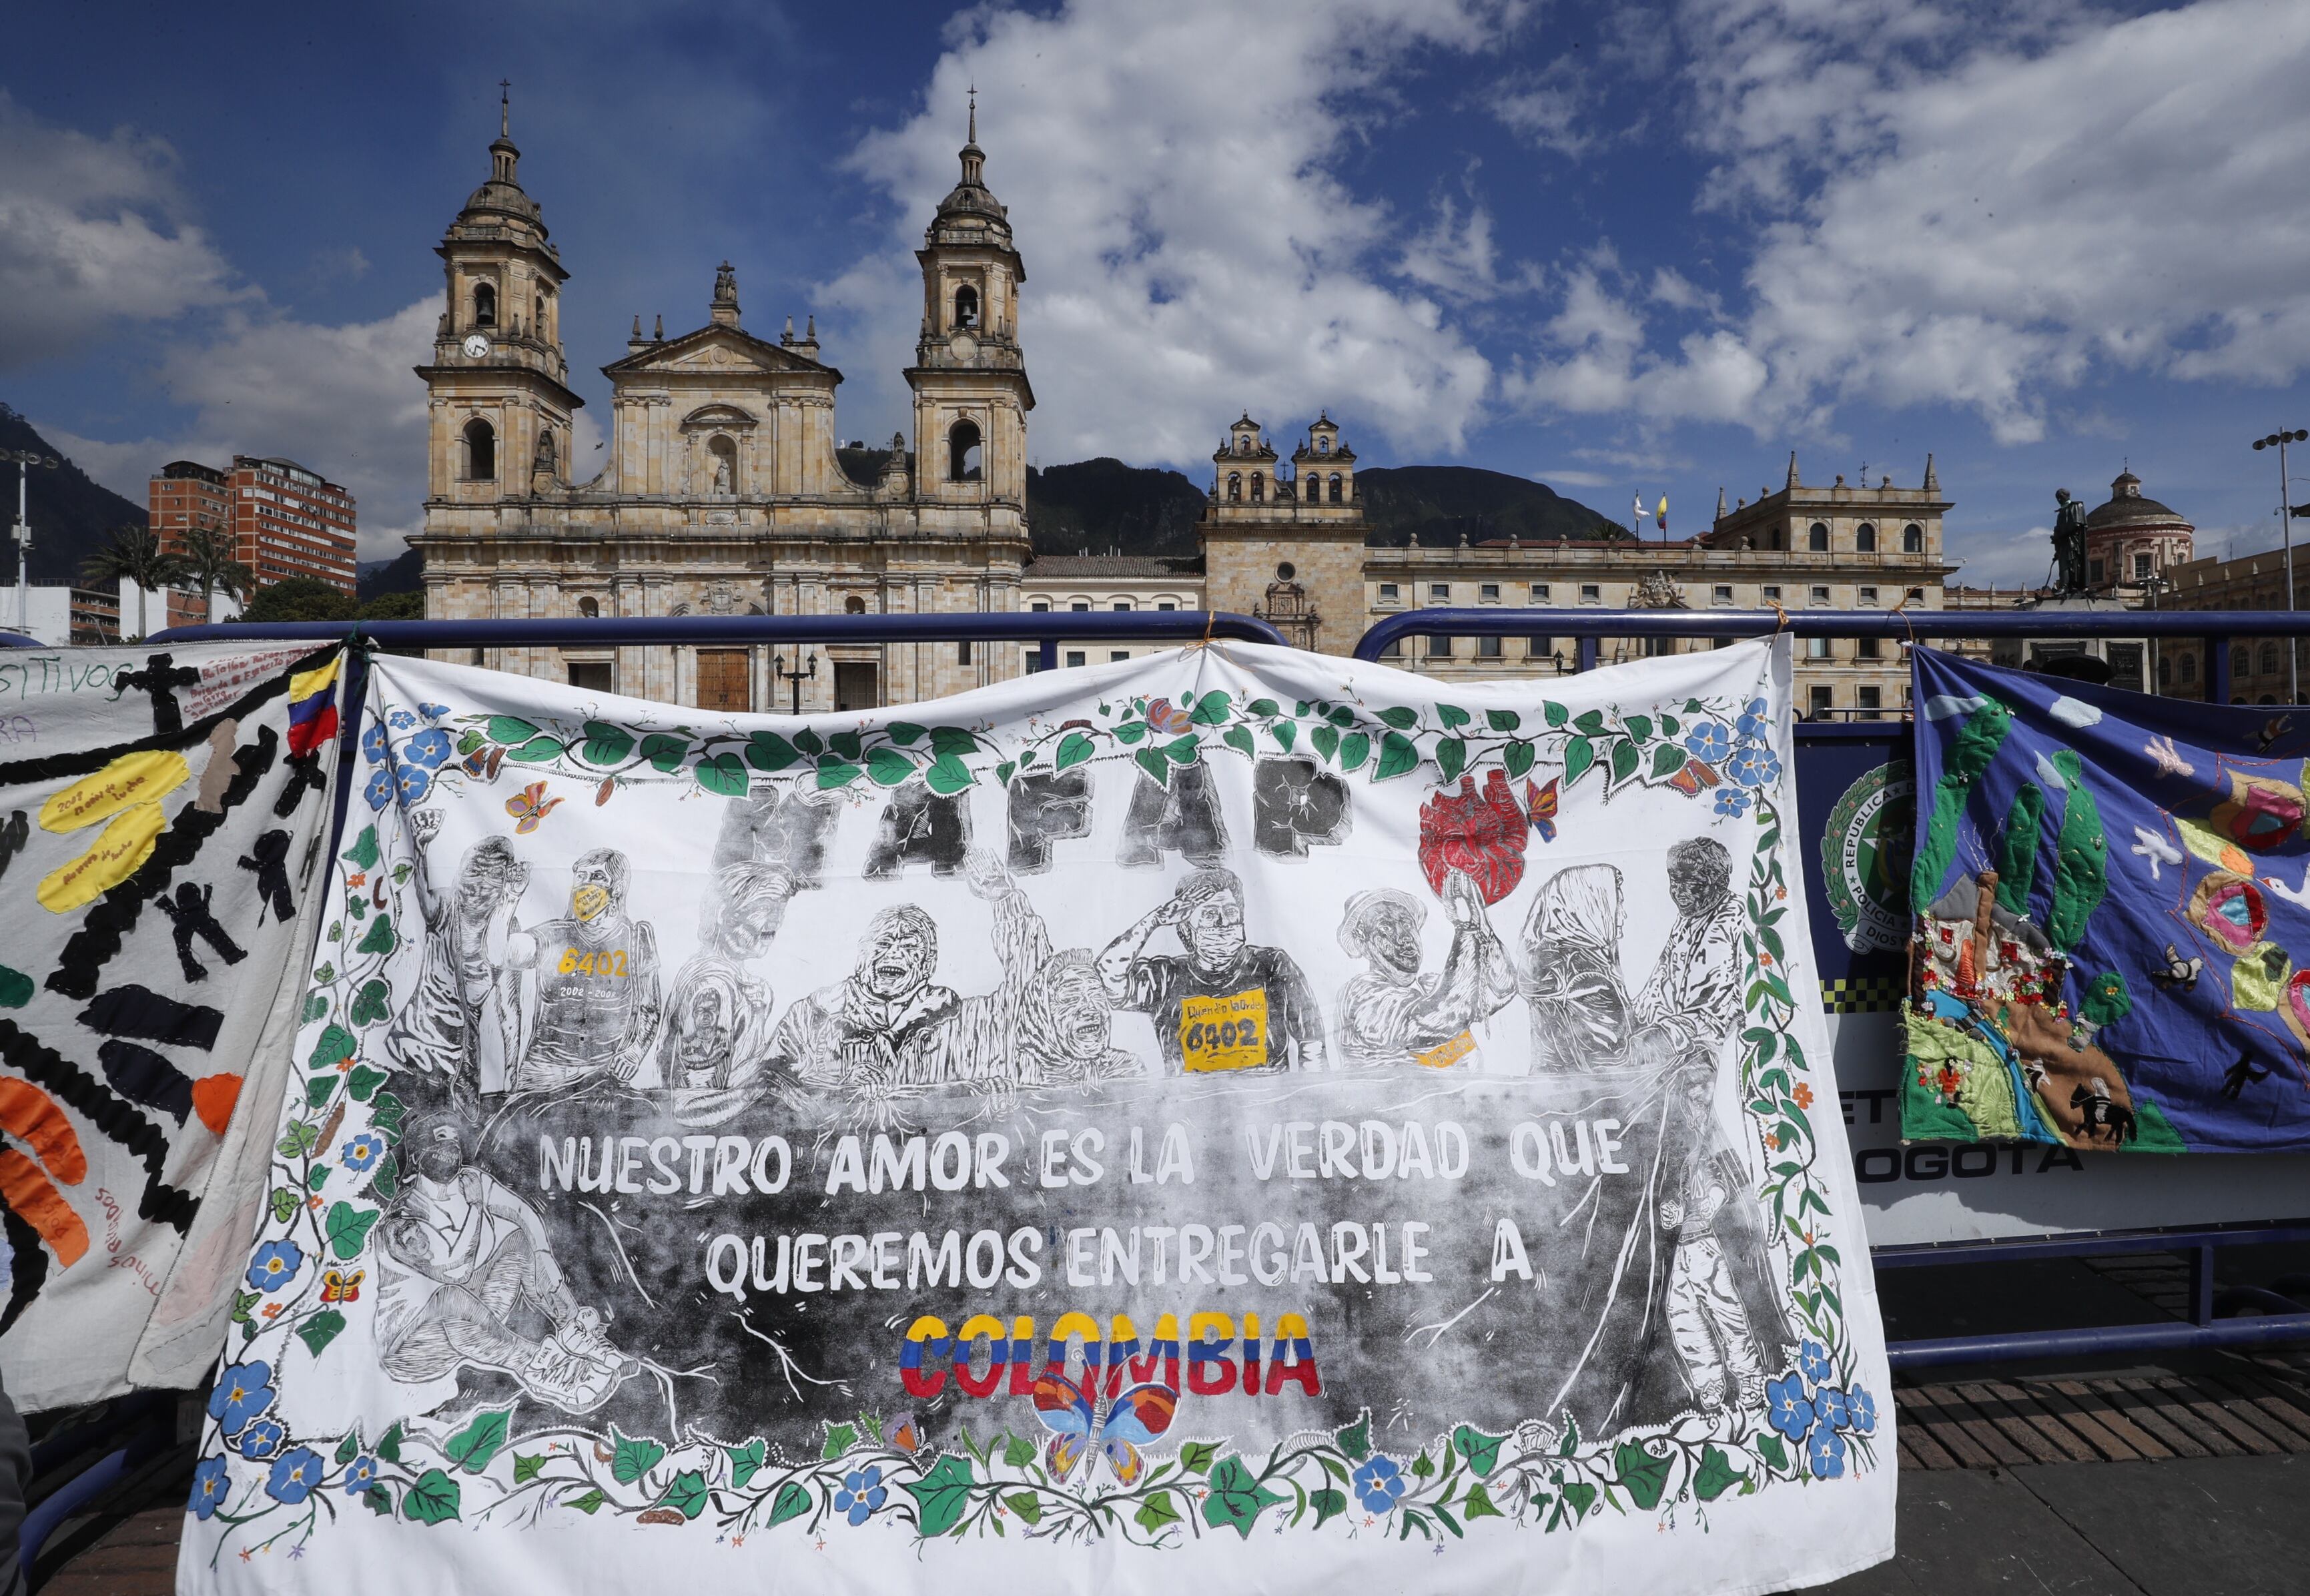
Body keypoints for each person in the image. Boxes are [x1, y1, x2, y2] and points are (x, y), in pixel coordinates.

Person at [374, 1115, 637, 1415]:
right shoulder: (402, 1220)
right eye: (440, 1142)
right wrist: (476, 1208)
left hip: (470, 1323)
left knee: (516, 1239)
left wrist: (543, 1258)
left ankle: (574, 1329)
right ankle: (540, 1367)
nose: (451, 1149)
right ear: (420, 1154)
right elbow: (452, 1271)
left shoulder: (470, 1181)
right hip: (413, 1346)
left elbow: (524, 1214)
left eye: (454, 1140)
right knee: (451, 1298)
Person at [1098, 867, 1325, 1074]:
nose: (1223, 922)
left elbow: (1311, 1040)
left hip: (1267, 1106)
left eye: (1230, 911)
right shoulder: (1167, 976)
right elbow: (1105, 981)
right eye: (1209, 913)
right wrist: (1155, 920)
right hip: (1191, 1109)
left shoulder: (1272, 964)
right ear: (1187, 929)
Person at [1659, 1062, 1784, 1414]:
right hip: (1674, 1251)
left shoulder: (1707, 1142)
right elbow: (1659, 1189)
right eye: (1694, 1101)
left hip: (1702, 1244)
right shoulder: (1670, 1142)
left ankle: (1748, 1375)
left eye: (1705, 1101)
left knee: (1726, 1308)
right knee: (1682, 1314)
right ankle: (1709, 1380)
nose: (1699, 1109)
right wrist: (1668, 1211)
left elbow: (1719, 1183)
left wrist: (1703, 1207)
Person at [386, 814, 526, 1096]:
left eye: (494, 876)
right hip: (413, 1042)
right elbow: (422, 900)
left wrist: (513, 1073)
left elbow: (509, 1009)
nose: (481, 885)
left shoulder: (506, 928)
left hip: (462, 1062)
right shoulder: (446, 903)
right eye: (475, 871)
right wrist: (422, 850)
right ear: (462, 872)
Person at [504, 848, 663, 1094]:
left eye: (597, 877)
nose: (586, 885)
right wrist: (511, 897)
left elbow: (649, 1009)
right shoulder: (555, 934)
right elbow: (499, 954)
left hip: (603, 1076)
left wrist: (634, 1052)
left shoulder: (636, 938)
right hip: (543, 1073)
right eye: (581, 876)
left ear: (617, 888)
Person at [764, 904, 960, 1094]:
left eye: (908, 946)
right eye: (884, 943)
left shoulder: (949, 1015)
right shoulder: (812, 1012)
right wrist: (842, 1084)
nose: (893, 953)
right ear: (862, 953)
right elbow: (768, 1081)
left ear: (928, 963)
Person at [1333, 871, 1516, 1068]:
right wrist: (1467, 929)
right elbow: (1438, 1019)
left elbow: (1502, 989)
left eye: (1406, 923)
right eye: (1385, 927)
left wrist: (1483, 927)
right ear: (1363, 944)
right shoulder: (1361, 996)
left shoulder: (1432, 987)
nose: (1404, 937)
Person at [663, 863, 797, 1124]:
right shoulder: (712, 987)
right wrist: (761, 1086)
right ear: (725, 913)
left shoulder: (740, 981)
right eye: (765, 908)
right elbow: (689, 1109)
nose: (776, 922)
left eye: (780, 909)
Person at [1633, 837, 1745, 1065]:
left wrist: (1667, 1035)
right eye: (1674, 881)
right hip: (1680, 1039)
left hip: (1710, 1051)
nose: (1678, 891)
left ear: (1721, 883)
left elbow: (1721, 1006)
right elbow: (1658, 984)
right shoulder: (1689, 916)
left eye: (1690, 882)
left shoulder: (1731, 919)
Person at [1518, 864, 1633, 1070]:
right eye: (1617, 905)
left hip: (1553, 1090)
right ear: (1590, 908)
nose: (1623, 915)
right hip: (1591, 1097)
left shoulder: (1545, 961)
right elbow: (1614, 1061)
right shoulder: (1588, 978)